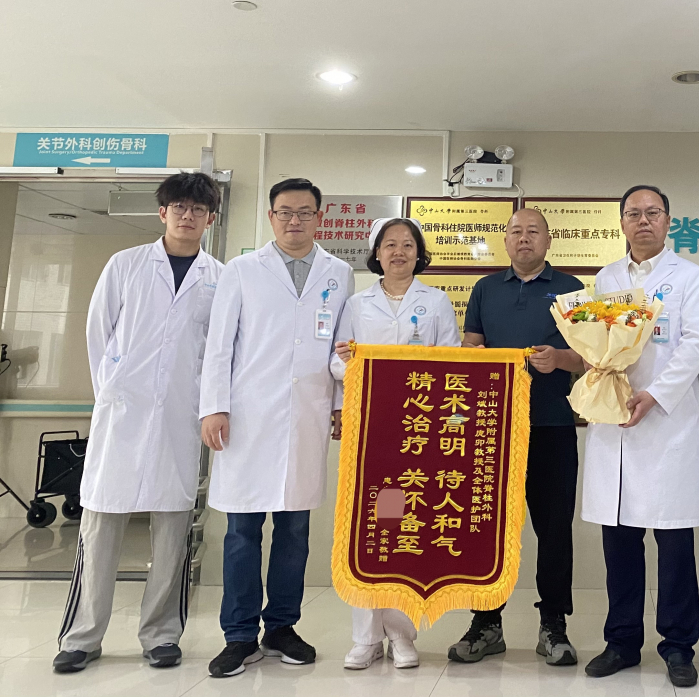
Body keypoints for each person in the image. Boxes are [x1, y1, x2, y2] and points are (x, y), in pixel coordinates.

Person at [54, 172, 224, 673]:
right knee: (100, 524)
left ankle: (161, 634)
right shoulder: (125, 265)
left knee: (173, 529)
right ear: (162, 212)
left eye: (198, 209)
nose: (188, 216)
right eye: (179, 207)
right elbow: (98, 331)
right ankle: (82, 636)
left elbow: (218, 350)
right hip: (122, 410)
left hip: (180, 416)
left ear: (211, 219)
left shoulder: (219, 276)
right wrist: (111, 389)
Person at [199, 178, 354, 678]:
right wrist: (214, 407)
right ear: (271, 217)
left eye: (305, 212)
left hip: (307, 415)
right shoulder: (242, 270)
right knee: (242, 532)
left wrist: (339, 405)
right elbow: (219, 344)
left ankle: (282, 627)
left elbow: (341, 350)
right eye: (285, 212)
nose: (295, 221)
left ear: (319, 218)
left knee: (295, 531)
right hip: (247, 417)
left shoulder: (338, 273)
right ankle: (239, 634)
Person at [582, 185, 699, 689]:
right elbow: (597, 342)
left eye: (652, 213)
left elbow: (696, 344)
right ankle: (621, 641)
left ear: (668, 221)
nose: (643, 221)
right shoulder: (607, 278)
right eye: (633, 214)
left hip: (666, 424)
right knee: (619, 542)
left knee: (674, 544)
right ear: (621, 223)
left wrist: (654, 395)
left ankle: (678, 646)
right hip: (616, 422)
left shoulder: (691, 278)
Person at [448, 208, 585, 666]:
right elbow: (470, 347)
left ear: (548, 240)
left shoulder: (571, 289)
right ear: (505, 241)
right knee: (487, 527)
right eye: (516, 232)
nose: (524, 238)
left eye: (533, 232)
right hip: (493, 429)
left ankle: (554, 625)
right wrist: (476, 354)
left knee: (554, 529)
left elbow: (589, 357)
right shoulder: (486, 288)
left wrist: (559, 360)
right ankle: (486, 622)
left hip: (552, 425)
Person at [332, 217, 460, 670]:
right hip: (371, 431)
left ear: (419, 253)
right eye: (390, 245)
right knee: (370, 527)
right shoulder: (357, 303)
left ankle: (402, 635)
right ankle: (365, 638)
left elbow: (453, 362)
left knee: (405, 526)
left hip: (417, 433)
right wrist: (352, 365)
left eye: (408, 244)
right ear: (377, 253)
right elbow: (335, 361)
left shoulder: (436, 301)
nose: (399, 252)